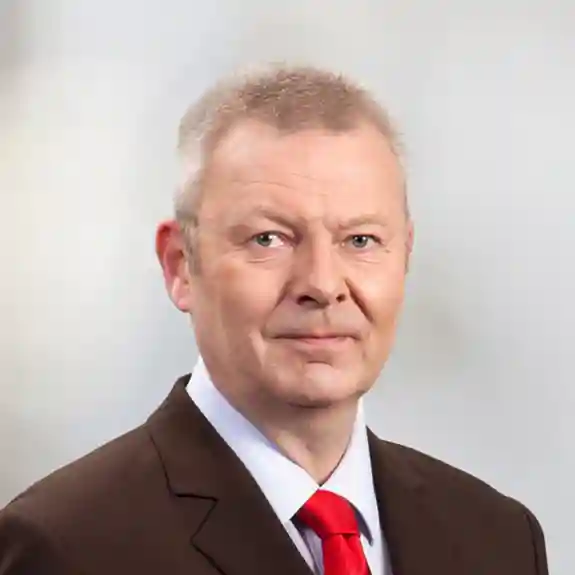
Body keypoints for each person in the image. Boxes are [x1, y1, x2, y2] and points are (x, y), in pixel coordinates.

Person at [0, 64, 548, 575]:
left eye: (360, 240)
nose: (323, 284)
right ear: (180, 266)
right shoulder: (67, 547)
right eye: (269, 239)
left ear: (404, 255)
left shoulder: (500, 541)